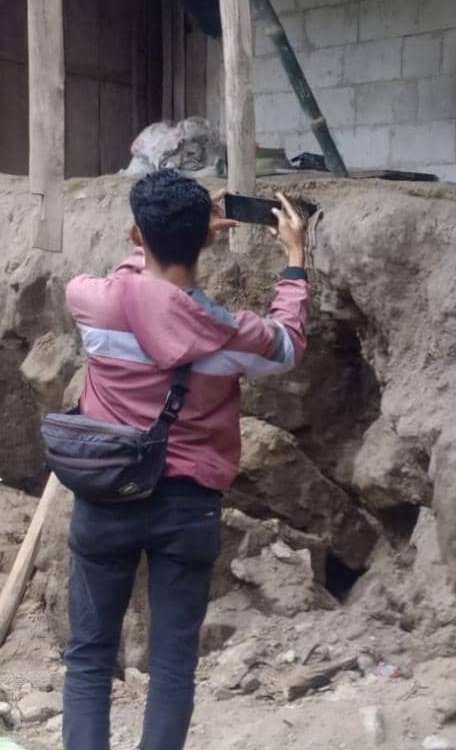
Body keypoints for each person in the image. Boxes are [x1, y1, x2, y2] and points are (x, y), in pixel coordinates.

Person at [61, 170, 309, 750]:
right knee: (173, 666)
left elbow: (131, 276)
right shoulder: (231, 335)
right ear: (207, 239)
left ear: (137, 235)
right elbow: (289, 342)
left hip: (105, 496)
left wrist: (160, 239)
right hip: (187, 506)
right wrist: (295, 260)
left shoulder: (91, 304)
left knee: (90, 660)